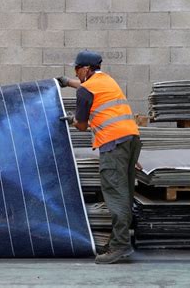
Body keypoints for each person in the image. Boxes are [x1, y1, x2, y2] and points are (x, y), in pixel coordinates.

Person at [57, 50, 142, 265]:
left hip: (113, 144)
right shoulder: (106, 80)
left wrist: (71, 120)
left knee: (115, 195)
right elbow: (86, 87)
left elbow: (83, 126)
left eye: (76, 70)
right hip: (131, 140)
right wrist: (67, 82)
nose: (76, 74)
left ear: (85, 69)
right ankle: (118, 241)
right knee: (126, 193)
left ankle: (121, 246)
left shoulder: (86, 90)